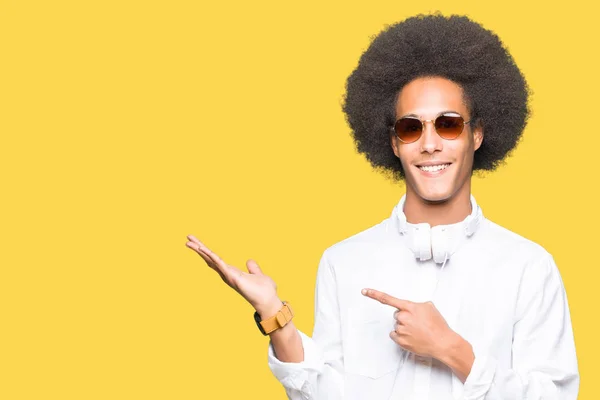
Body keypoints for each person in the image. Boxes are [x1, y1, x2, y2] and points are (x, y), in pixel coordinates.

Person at [185, 13, 579, 400]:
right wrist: (276, 317)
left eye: (448, 124)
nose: (429, 144)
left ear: (476, 134)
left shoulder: (528, 267)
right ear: (393, 143)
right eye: (411, 128)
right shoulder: (344, 262)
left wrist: (452, 350)